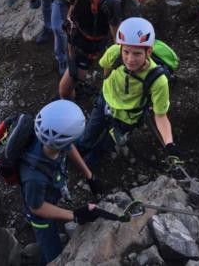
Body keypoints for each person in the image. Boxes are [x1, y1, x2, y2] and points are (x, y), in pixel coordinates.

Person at [19, 99, 122, 266]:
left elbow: (68, 147)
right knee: (53, 255)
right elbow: (36, 207)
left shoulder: (48, 137)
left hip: (48, 193)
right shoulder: (34, 177)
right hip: (40, 216)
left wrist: (90, 177)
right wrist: (74, 215)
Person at [77, 17, 182, 169]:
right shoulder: (114, 53)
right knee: (89, 133)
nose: (130, 59)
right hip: (105, 102)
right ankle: (80, 152)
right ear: (120, 48)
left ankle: (90, 162)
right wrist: (107, 86)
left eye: (137, 54)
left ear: (149, 51)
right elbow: (106, 69)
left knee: (106, 144)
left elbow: (160, 115)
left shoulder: (158, 80)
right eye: (126, 52)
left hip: (126, 118)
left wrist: (169, 145)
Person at [59, 0, 123, 99]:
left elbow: (117, 39)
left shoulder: (109, 0)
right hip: (75, 33)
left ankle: (70, 113)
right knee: (71, 65)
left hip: (89, 46)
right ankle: (78, 83)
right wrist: (69, 19)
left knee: (64, 90)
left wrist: (117, 64)